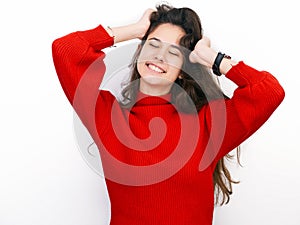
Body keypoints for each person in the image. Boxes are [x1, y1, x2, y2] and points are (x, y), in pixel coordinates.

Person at [52, 3, 285, 225]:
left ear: (184, 71)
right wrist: (136, 30)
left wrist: (213, 58)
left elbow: (269, 92)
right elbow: (66, 50)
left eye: (173, 52)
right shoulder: (108, 118)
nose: (159, 56)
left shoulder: (208, 124)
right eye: (153, 45)